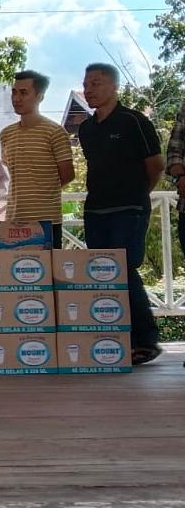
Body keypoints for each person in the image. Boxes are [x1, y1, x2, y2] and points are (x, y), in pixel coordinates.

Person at [78, 62, 163, 366]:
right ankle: (113, 340)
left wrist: (136, 194)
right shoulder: (85, 129)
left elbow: (156, 166)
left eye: (96, 83)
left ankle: (145, 340)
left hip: (129, 209)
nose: (89, 90)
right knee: (103, 274)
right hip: (95, 210)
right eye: (86, 85)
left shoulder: (134, 121)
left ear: (114, 86)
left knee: (124, 269)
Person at [1, 70, 75, 248]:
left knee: (48, 265)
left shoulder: (55, 132)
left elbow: (67, 175)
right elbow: (15, 173)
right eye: (14, 92)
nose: (17, 98)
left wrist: (41, 192)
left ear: (40, 96)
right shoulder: (6, 134)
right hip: (14, 221)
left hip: (47, 221)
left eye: (23, 93)